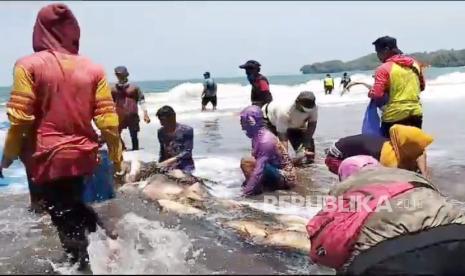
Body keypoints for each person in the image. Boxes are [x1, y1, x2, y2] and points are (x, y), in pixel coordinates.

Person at [0, 3, 123, 270]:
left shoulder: (27, 66)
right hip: (83, 155)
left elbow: (20, 119)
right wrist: (116, 156)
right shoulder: (93, 68)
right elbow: (108, 121)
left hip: (47, 156)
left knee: (62, 214)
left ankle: (81, 264)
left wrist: (8, 155)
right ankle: (104, 244)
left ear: (39, 30)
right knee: (72, 204)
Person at [307, 155, 465, 275]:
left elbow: (325, 237)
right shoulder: (409, 175)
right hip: (458, 235)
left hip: (385, 259)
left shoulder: (343, 189)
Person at [324, 124, 433, 177]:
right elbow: (391, 177)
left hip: (345, 148)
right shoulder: (385, 156)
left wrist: (424, 174)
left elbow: (421, 153)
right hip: (336, 158)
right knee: (364, 180)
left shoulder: (394, 145)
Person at [370, 36, 425, 138]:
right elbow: (421, 87)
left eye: (378, 52)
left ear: (386, 50)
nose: (377, 55)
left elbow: (377, 94)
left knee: (390, 151)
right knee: (415, 148)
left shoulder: (383, 69)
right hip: (416, 113)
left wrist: (371, 92)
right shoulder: (415, 64)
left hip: (394, 116)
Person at [239, 105, 296, 196]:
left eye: (243, 123)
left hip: (286, 178)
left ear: (252, 122)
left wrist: (245, 194)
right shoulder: (257, 136)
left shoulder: (265, 140)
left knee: (247, 162)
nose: (242, 127)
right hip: (274, 170)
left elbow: (258, 169)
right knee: (251, 162)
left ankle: (256, 192)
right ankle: (259, 187)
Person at [262, 91, 318, 165]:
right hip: (269, 119)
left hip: (293, 124)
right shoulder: (285, 111)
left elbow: (312, 125)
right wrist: (286, 158)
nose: (305, 112)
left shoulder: (313, 108)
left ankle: (305, 168)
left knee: (308, 151)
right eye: (303, 110)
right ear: (297, 103)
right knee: (269, 148)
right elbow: (283, 138)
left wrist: (306, 143)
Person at [111, 66, 150, 151]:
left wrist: (145, 114)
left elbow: (142, 101)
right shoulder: (113, 89)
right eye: (118, 75)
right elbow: (109, 103)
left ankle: (135, 152)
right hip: (118, 116)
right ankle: (122, 148)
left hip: (132, 116)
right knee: (115, 133)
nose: (120, 76)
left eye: (121, 74)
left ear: (126, 74)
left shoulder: (134, 87)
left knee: (134, 136)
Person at [156, 106, 195, 174]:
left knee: (179, 176)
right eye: (160, 120)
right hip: (167, 165)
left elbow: (187, 152)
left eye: (163, 120)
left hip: (185, 164)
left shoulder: (186, 130)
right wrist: (159, 166)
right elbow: (162, 152)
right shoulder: (161, 132)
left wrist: (169, 161)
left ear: (173, 117)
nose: (161, 123)